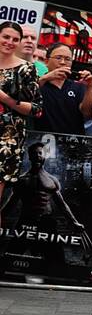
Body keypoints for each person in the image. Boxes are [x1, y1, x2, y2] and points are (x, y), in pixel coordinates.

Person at [0, 21, 42, 230]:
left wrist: (6, 99)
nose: (10, 42)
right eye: (6, 37)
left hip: (6, 140)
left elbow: (36, 109)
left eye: (15, 39)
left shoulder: (26, 69)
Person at [31, 45, 92, 135]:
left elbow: (87, 113)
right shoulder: (38, 83)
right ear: (46, 61)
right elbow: (25, 97)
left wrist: (90, 87)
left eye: (67, 59)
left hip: (72, 142)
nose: (62, 62)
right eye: (58, 58)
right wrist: (45, 78)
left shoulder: (78, 86)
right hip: (41, 141)